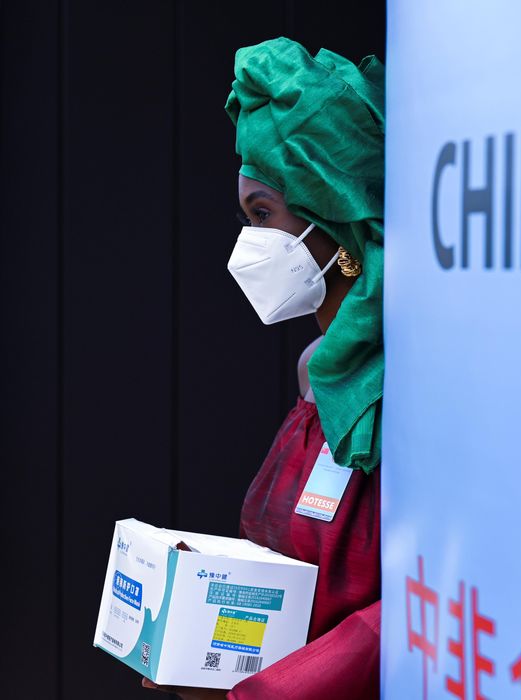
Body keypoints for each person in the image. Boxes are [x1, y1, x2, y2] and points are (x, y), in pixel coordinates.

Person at [142, 37, 385, 700]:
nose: (250, 243)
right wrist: (198, 633)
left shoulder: (406, 394)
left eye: (263, 214)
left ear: (335, 216)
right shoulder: (316, 372)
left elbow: (396, 616)